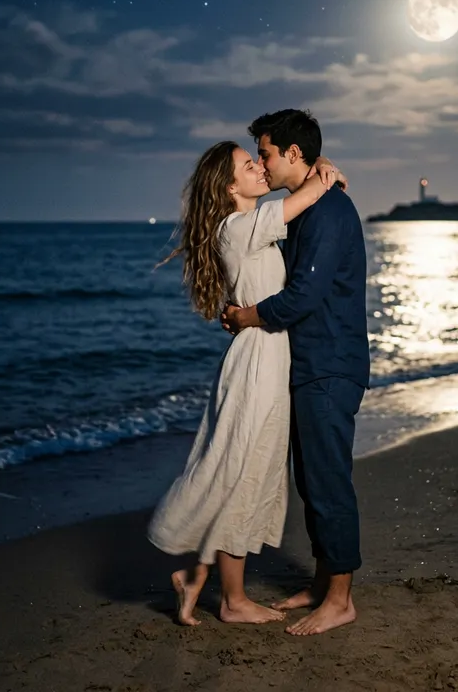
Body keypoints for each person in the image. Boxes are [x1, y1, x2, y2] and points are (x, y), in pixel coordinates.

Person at [148, 139, 345, 626]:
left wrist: (321, 168)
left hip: (267, 357)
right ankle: (233, 602)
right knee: (241, 472)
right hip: (258, 363)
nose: (259, 168)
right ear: (228, 185)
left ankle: (196, 577)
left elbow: (301, 195)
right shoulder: (238, 227)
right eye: (248, 165)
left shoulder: (248, 226)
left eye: (258, 160)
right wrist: (324, 172)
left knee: (248, 468)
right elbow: (303, 197)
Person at [221, 109, 370, 637]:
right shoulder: (306, 207)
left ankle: (341, 600)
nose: (260, 163)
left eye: (264, 153)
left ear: (292, 154)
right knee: (313, 482)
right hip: (309, 365)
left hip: (330, 366)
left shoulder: (329, 211)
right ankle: (324, 581)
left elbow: (303, 296)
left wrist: (247, 316)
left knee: (329, 483)